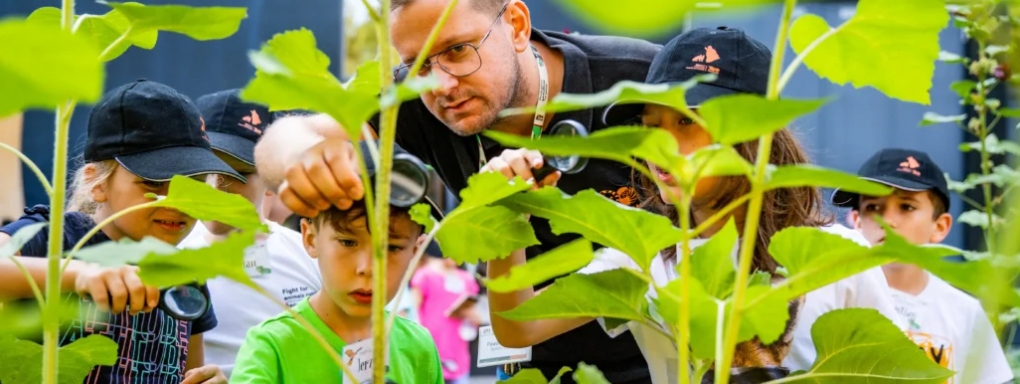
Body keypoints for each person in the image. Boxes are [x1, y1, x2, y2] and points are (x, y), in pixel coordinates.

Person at [254, 0, 659, 380]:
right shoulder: (414, 97)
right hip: (527, 360)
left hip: (661, 355)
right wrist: (302, 160)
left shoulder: (642, 79)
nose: (441, 85)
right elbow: (285, 139)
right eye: (416, 63)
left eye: (458, 50)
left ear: (516, 25)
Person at [484, 27, 906, 383]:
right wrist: (507, 212)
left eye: (686, 121)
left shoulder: (837, 258)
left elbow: (904, 372)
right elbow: (519, 326)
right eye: (650, 126)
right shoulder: (642, 258)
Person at [0, 80, 240, 383]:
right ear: (97, 183)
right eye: (153, 182)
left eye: (193, 182)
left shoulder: (184, 274)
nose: (177, 202)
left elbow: (190, 369)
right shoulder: (54, 237)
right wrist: (80, 273)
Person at [230, 142, 444, 383]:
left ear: (415, 252)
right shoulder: (271, 346)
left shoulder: (419, 345)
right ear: (310, 239)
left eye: (392, 247)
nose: (368, 268)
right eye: (348, 242)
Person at [176, 89, 322, 378]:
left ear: (272, 180)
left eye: (238, 173)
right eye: (205, 169)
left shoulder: (310, 254)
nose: (216, 186)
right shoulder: (170, 258)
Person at [837, 148, 1014, 384]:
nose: (888, 220)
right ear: (856, 222)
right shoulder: (836, 297)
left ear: (940, 226)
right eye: (873, 207)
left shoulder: (964, 313)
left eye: (906, 207)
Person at [411, 241, 482, 384]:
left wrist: (470, 315)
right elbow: (413, 310)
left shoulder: (466, 279)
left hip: (458, 349)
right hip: (430, 346)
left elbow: (476, 316)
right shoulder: (425, 275)